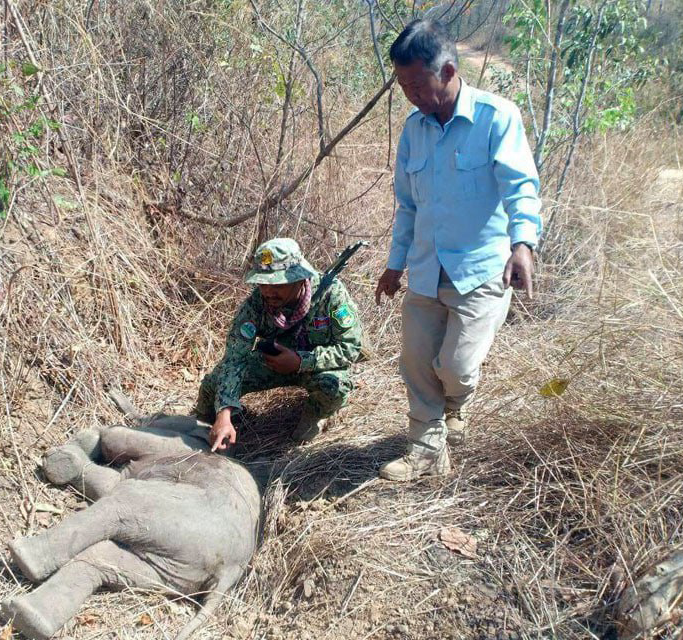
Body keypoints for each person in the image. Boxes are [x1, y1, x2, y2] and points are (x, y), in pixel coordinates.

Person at [374, 19, 541, 481]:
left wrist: (522, 244)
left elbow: (520, 187)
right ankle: (426, 450)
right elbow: (407, 206)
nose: (409, 93)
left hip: (483, 270)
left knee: (457, 365)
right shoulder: (415, 130)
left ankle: (457, 402)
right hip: (427, 269)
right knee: (414, 361)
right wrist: (394, 266)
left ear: (447, 72)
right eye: (401, 84)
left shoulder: (496, 117)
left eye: (415, 83)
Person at [195, 238, 362, 452]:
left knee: (334, 387)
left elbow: (350, 348)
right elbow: (234, 359)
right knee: (213, 383)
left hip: (317, 367)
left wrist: (301, 361)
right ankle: (205, 422)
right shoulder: (256, 303)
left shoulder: (331, 295)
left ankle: (315, 413)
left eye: (277, 284)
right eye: (262, 283)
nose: (268, 292)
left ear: (300, 279)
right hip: (272, 363)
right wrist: (224, 414)